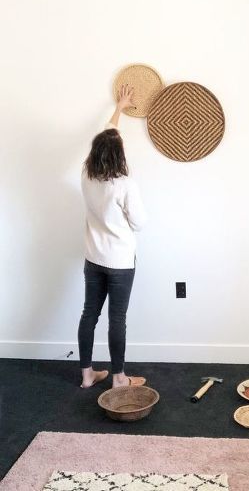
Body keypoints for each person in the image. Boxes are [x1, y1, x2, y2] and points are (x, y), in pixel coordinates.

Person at [77, 85, 148, 389]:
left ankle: (87, 375)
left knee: (89, 314)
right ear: (119, 154)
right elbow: (140, 222)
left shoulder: (86, 174)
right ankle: (119, 378)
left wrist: (119, 108)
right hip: (119, 261)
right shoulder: (124, 183)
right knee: (116, 320)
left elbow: (108, 134)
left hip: (94, 258)